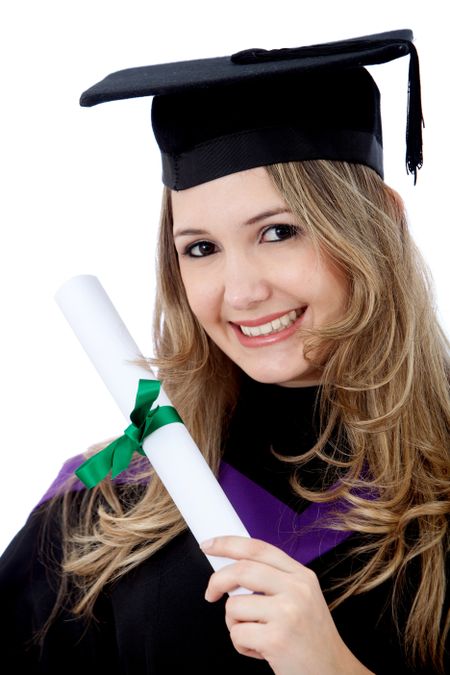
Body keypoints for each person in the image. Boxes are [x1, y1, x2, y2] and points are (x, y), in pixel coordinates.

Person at [0, 29, 448, 674]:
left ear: (380, 223)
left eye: (278, 231)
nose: (241, 292)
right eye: (201, 248)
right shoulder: (103, 506)